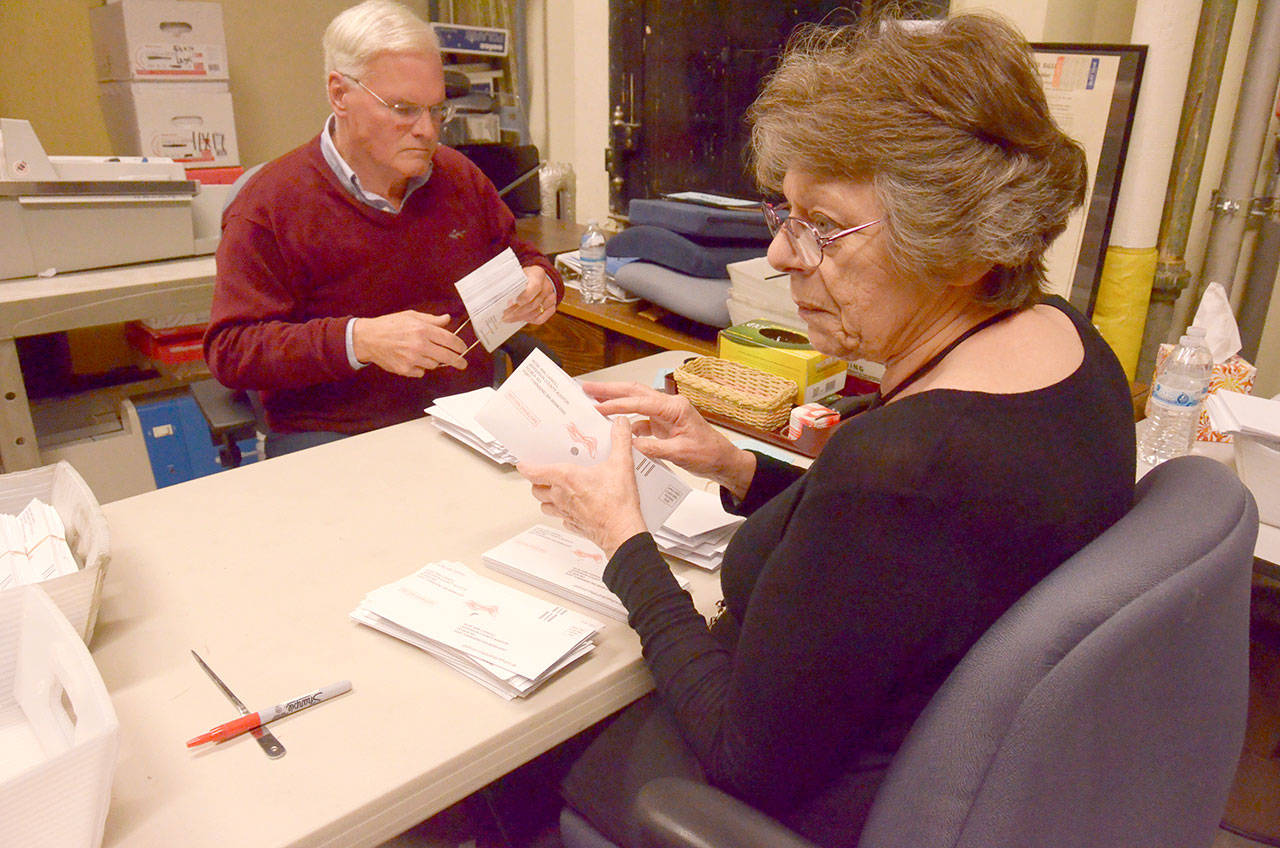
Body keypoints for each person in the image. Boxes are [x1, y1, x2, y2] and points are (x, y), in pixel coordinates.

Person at [515, 13, 1136, 848]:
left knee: (524, 755)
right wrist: (735, 464)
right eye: (786, 211)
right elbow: (912, 560)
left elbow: (746, 758)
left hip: (802, 804)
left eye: (823, 226)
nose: (779, 253)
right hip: (940, 759)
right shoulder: (1066, 344)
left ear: (956, 243)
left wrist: (622, 537)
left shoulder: (903, 466)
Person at [203, 0, 561, 458]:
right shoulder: (271, 204)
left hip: (466, 420)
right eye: (404, 109)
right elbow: (232, 350)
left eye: (436, 110)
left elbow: (520, 258)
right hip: (338, 435)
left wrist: (540, 282)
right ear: (339, 94)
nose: (427, 130)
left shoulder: (459, 177)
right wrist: (360, 340)